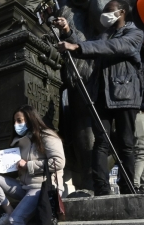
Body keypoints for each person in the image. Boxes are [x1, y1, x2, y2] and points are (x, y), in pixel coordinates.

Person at [55, 1, 143, 195]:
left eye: (108, 11)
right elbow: (90, 46)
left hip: (124, 95)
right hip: (101, 95)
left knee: (126, 143)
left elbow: (114, 47)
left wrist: (77, 46)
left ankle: (127, 187)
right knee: (101, 142)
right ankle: (100, 186)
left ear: (121, 12)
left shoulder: (135, 34)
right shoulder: (104, 35)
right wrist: (69, 31)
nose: (104, 14)